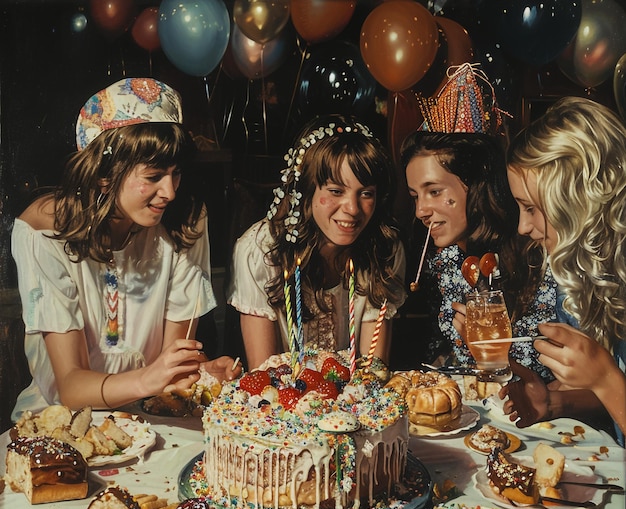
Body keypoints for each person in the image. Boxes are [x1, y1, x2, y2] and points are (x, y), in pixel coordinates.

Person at [11, 77, 241, 421]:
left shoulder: (185, 224)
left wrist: (196, 376)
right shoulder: (45, 231)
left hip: (151, 417)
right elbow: (72, 388)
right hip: (58, 423)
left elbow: (168, 375)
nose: (170, 192)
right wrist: (152, 378)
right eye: (153, 176)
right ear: (105, 173)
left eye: (175, 174)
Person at [227, 113, 406, 370]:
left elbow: (373, 373)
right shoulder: (261, 250)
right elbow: (264, 375)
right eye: (336, 191)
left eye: (366, 193)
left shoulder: (385, 249)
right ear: (306, 190)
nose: (353, 209)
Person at [504, 96, 626, 444]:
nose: (523, 226)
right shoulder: (578, 274)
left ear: (579, 201)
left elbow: (611, 386)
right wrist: (553, 401)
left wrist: (604, 376)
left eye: (531, 208)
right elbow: (610, 403)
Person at [400, 130, 557, 379]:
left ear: (475, 186)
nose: (421, 210)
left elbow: (549, 371)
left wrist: (488, 348)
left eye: (435, 191)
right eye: (414, 196)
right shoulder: (446, 262)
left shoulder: (535, 253)